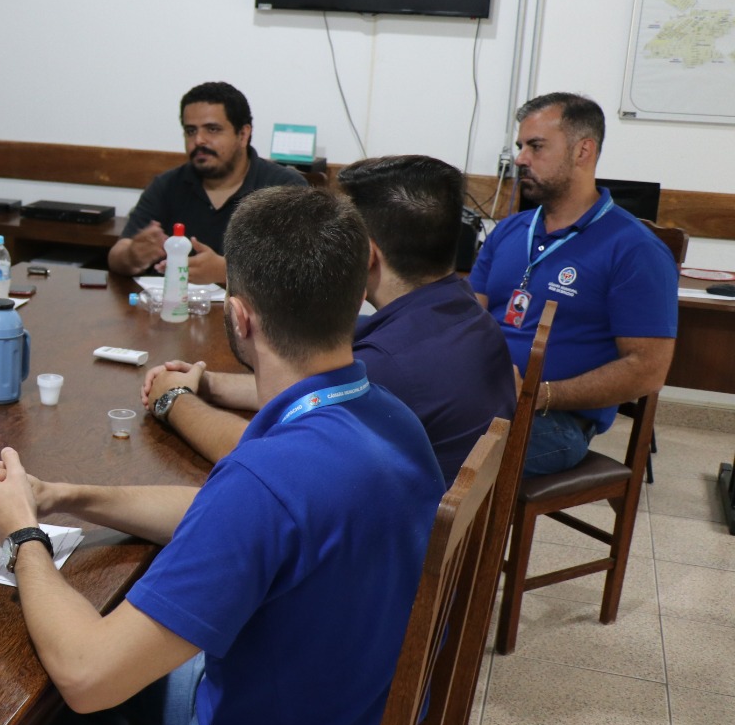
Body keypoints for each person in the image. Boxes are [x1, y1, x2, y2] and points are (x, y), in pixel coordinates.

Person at [0, 185, 444, 725]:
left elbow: (89, 675)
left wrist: (23, 535)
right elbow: (223, 514)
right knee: (110, 687)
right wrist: (64, 495)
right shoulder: (385, 417)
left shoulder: (266, 476)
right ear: (358, 290)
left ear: (240, 318)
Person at [142, 156, 515, 483]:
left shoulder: (390, 364)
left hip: (384, 555)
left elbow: (259, 460)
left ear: (365, 254)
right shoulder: (460, 310)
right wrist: (206, 384)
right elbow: (304, 386)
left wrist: (175, 400)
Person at [470, 93, 678, 475]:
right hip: (481, 398)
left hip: (556, 420)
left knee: (440, 457)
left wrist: (540, 395)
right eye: (520, 147)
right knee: (388, 427)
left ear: (583, 151)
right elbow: (467, 316)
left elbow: (648, 370)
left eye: (535, 146)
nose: (520, 159)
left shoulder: (635, 250)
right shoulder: (510, 230)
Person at [108, 82, 307, 283]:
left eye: (212, 129)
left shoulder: (284, 189)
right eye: (191, 131)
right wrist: (132, 256)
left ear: (243, 134)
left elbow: (304, 270)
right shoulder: (167, 185)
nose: (199, 140)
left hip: (248, 313)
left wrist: (227, 273)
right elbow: (117, 254)